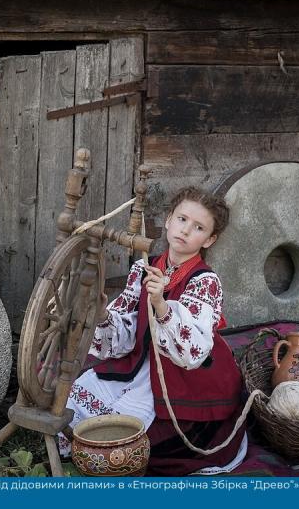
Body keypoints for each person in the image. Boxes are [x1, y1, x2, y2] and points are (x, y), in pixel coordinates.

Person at [58, 186, 246, 476]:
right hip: (141, 362)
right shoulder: (143, 269)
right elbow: (125, 337)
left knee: (129, 433)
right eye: (182, 219)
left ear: (210, 239)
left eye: (198, 227)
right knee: (74, 400)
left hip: (184, 375)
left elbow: (192, 353)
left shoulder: (205, 282)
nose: (185, 230)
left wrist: (161, 305)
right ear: (169, 220)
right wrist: (102, 315)